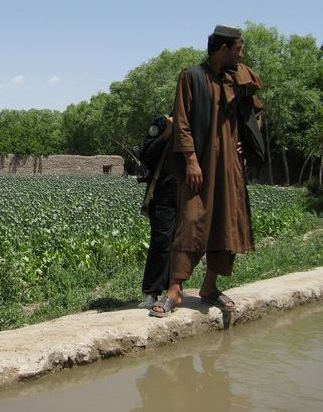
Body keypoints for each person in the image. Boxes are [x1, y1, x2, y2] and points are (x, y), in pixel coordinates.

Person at [149, 24, 264, 317]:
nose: (242, 54)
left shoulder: (239, 77)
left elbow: (255, 117)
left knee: (226, 222)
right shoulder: (191, 77)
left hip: (229, 166)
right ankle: (174, 291)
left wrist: (246, 144)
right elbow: (182, 122)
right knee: (190, 221)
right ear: (223, 49)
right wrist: (190, 160)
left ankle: (209, 288)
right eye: (238, 49)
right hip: (199, 165)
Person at [137, 115, 177, 308]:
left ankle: (174, 289)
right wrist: (167, 133)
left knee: (181, 244)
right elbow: (145, 155)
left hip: (190, 194)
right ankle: (151, 292)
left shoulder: (200, 124)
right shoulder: (162, 123)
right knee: (161, 242)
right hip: (162, 194)